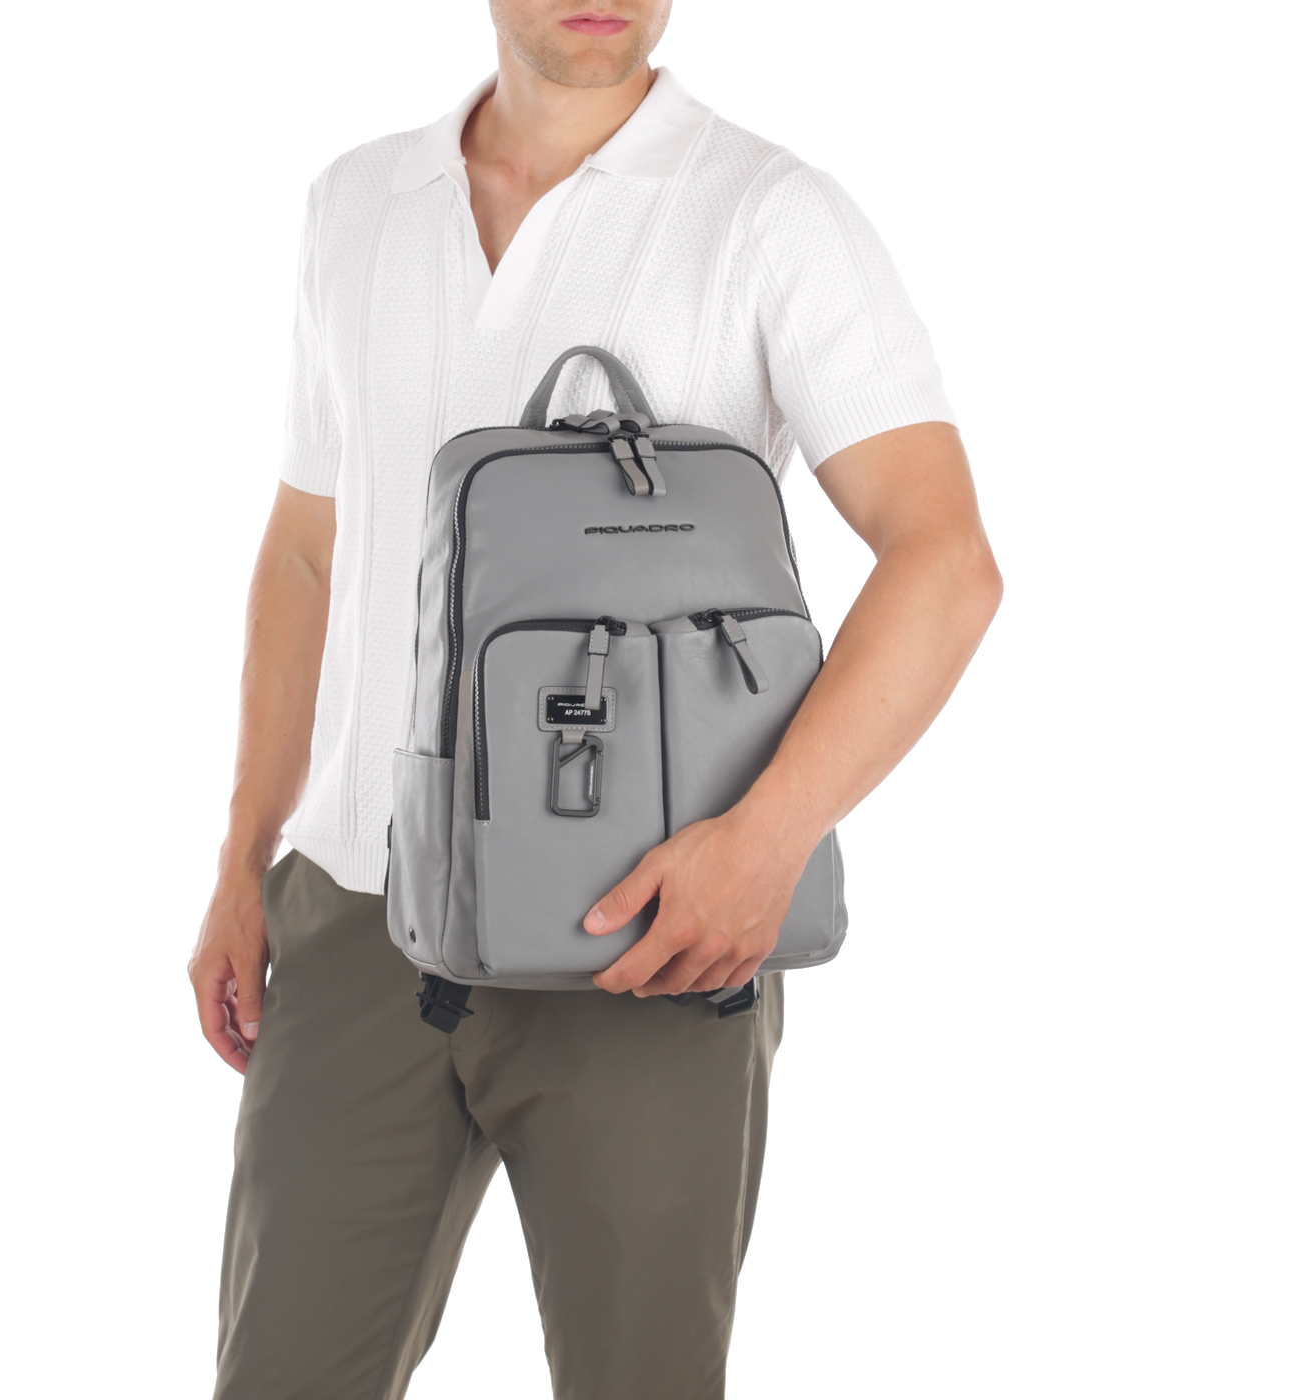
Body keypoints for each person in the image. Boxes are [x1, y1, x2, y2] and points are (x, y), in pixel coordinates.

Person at [188, 3, 1002, 1396]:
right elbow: (311, 550)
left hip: (650, 935)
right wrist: (242, 854)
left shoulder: (768, 213)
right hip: (354, 925)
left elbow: (946, 562)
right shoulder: (356, 204)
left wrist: (766, 847)